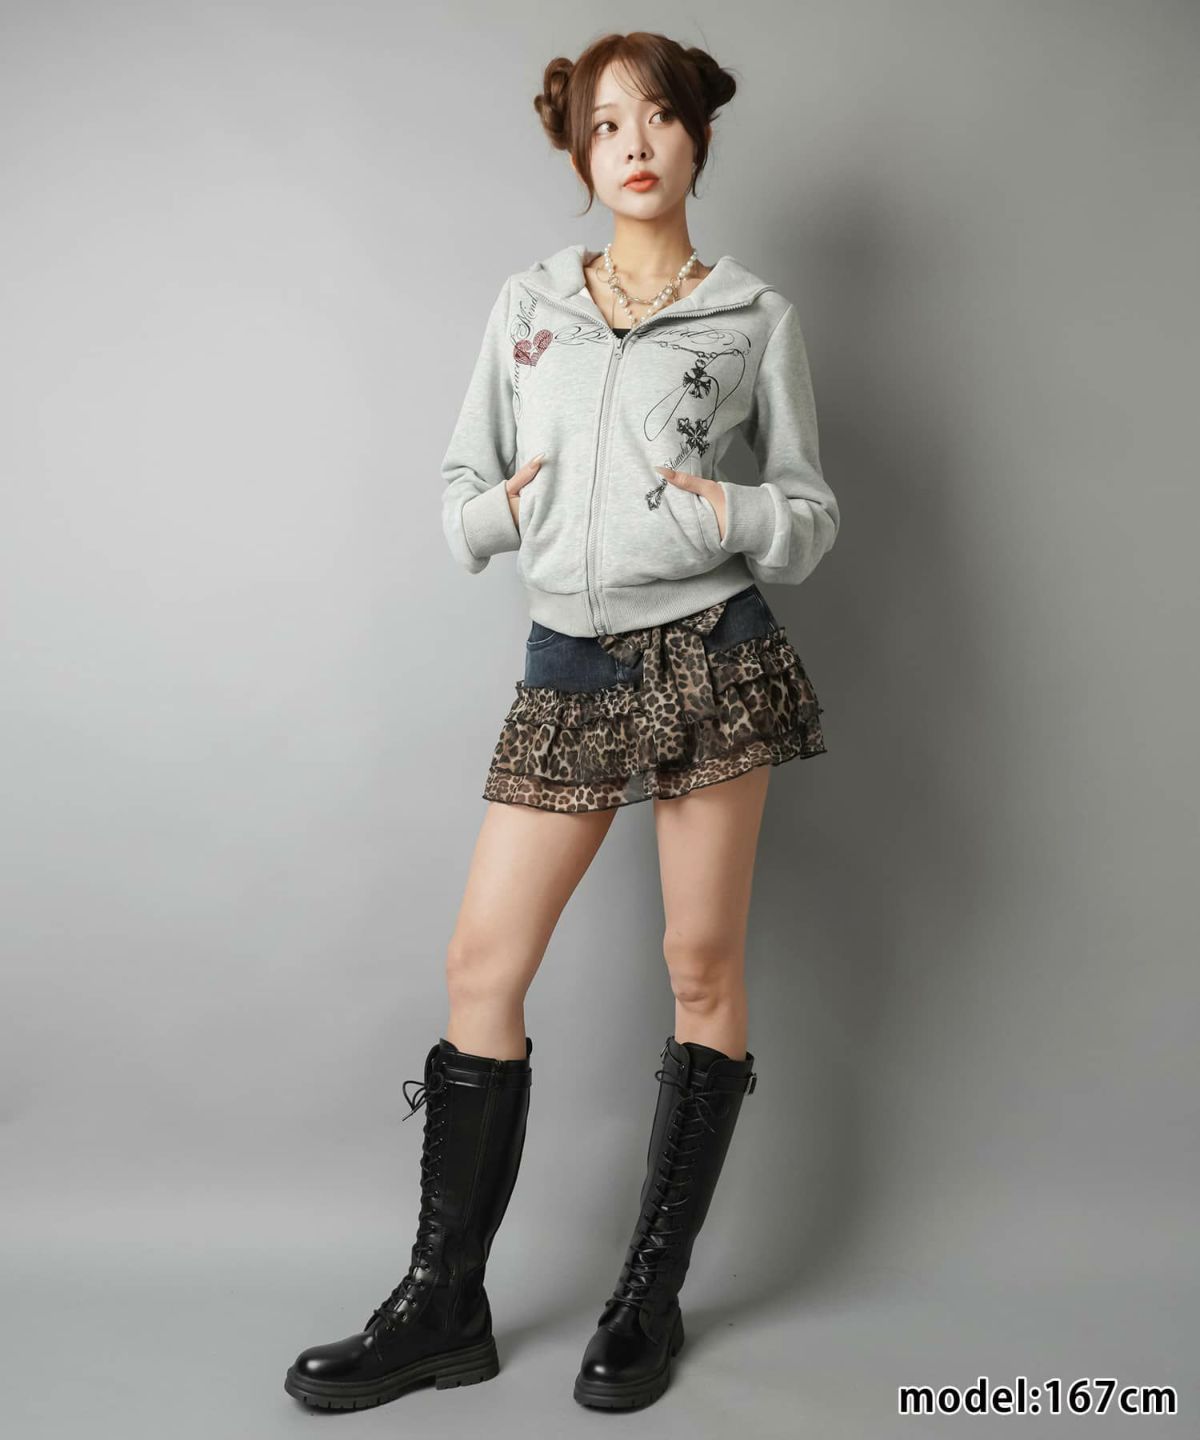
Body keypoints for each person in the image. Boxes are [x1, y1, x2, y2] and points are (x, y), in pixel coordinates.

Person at [284, 28, 839, 1415]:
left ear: (697, 136)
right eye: (605, 125)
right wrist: (507, 510)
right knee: (483, 961)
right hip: (570, 661)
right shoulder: (528, 305)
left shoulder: (754, 316)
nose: (633, 145)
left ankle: (648, 1297)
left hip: (712, 653)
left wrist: (734, 513)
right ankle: (443, 1306)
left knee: (699, 965)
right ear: (579, 152)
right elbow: (458, 488)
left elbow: (810, 513)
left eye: (658, 118)